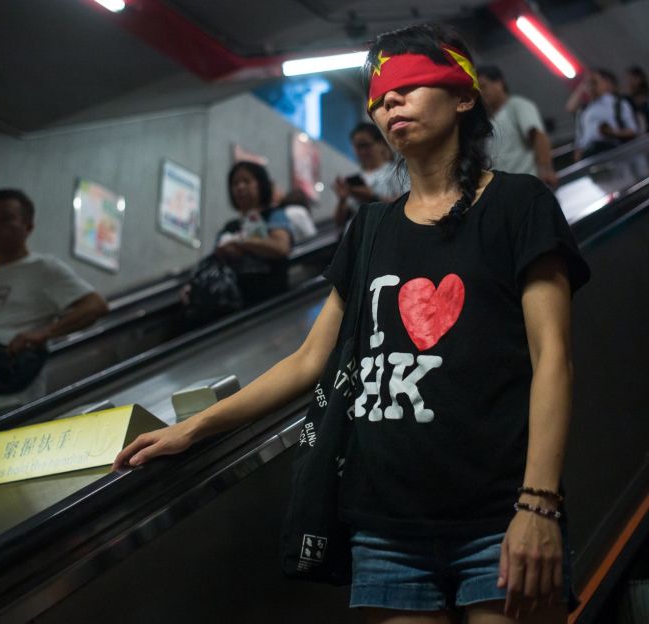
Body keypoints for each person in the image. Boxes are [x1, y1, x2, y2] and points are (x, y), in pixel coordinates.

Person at [117, 22, 590, 623]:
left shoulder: (519, 205)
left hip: (500, 514)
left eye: (410, 85)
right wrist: (195, 429)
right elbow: (309, 361)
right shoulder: (370, 229)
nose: (390, 100)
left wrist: (539, 503)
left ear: (464, 95)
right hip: (385, 529)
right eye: (380, 93)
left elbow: (554, 358)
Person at [0, 188, 109, 420]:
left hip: (13, 401)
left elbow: (95, 305)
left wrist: (43, 334)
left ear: (28, 227)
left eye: (5, 218)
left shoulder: (42, 268)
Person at [214, 161, 297, 305]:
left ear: (261, 184)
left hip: (272, 305)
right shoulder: (230, 226)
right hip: (235, 304)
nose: (240, 187)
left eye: (246, 181)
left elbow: (282, 247)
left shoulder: (274, 215)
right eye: (235, 183)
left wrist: (242, 242)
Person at [476, 64, 559, 188]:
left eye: (484, 86)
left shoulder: (517, 105)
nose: (481, 93)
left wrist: (546, 171)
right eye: (478, 89)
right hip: (506, 189)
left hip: (528, 183)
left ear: (499, 83)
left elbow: (539, 137)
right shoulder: (487, 120)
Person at [334, 123, 407, 227]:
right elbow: (339, 222)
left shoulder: (396, 172)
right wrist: (342, 199)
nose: (363, 151)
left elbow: (406, 206)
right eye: (358, 147)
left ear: (380, 143)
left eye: (366, 145)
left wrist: (372, 196)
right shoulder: (357, 178)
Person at [572, 69, 640, 161]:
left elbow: (633, 130)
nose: (592, 86)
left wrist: (613, 133)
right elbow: (580, 139)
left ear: (605, 83)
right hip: (589, 155)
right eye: (589, 83)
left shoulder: (618, 104)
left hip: (614, 152)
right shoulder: (583, 110)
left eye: (595, 82)